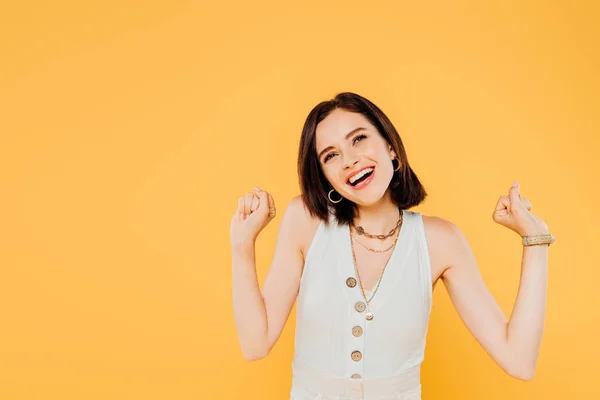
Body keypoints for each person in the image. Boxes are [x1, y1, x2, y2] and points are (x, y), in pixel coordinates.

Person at [230, 92, 555, 399]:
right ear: (325, 176)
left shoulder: (441, 241)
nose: (349, 160)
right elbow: (255, 344)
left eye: (358, 138)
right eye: (331, 155)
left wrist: (535, 240)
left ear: (391, 148)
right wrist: (242, 245)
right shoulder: (305, 220)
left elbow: (519, 361)